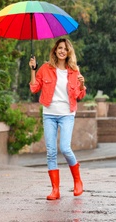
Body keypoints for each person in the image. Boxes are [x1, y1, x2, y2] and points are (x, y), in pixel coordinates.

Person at [29, 38, 86, 200]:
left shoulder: (75, 71)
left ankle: (77, 181)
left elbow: (80, 95)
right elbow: (34, 88)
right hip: (49, 114)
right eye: (59, 48)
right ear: (55, 50)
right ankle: (55, 190)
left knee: (65, 148)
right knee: (51, 152)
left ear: (69, 53)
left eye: (65, 49)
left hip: (67, 114)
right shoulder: (45, 68)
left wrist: (82, 85)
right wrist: (33, 70)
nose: (62, 51)